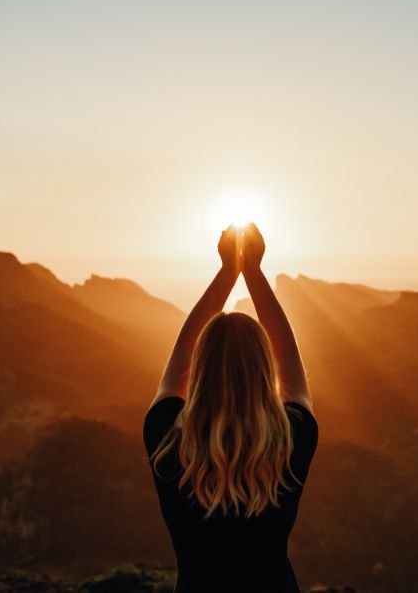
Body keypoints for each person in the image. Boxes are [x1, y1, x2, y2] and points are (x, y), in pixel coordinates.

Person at [143, 223, 318, 593]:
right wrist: (253, 273)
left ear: (200, 369)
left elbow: (178, 364)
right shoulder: (291, 438)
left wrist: (226, 273)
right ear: (263, 368)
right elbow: (288, 360)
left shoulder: (167, 439)